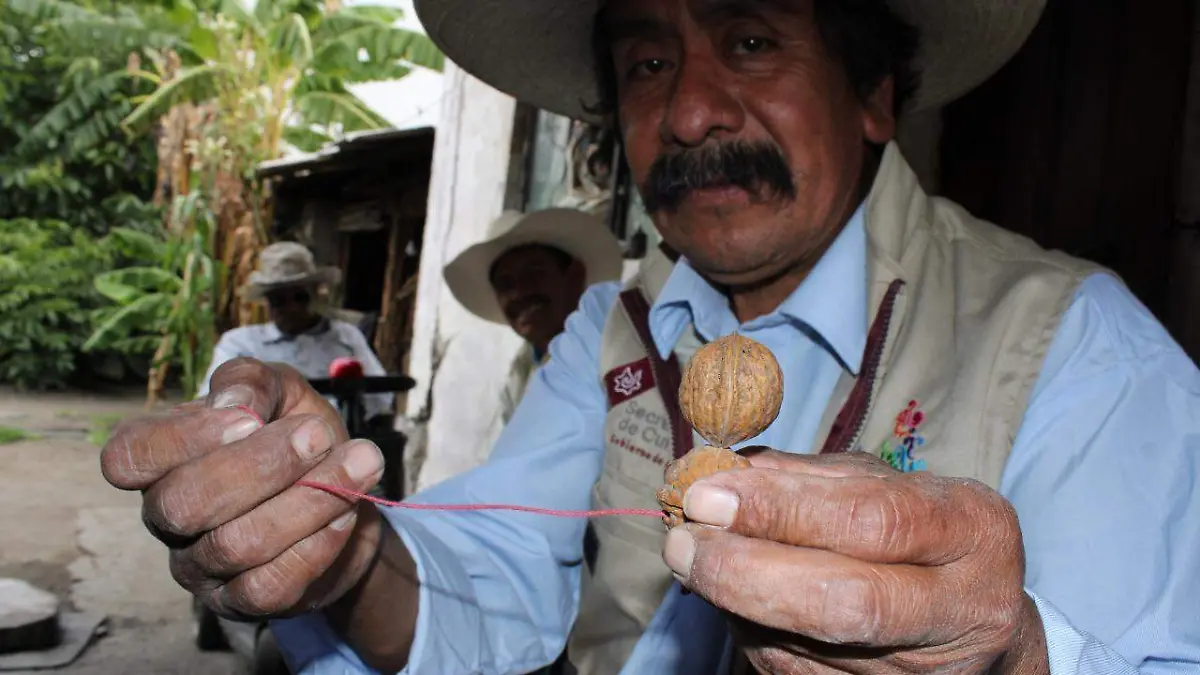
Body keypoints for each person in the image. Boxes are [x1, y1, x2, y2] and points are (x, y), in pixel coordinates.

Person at [98, 1, 1200, 674]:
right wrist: (340, 553)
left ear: (874, 95)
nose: (686, 113)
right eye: (646, 63)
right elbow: (496, 569)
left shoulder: (1074, 344)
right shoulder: (611, 326)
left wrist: (1010, 657)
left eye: (752, 39)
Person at [442, 207, 624, 426]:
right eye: (505, 285)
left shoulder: (614, 355)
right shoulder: (522, 371)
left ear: (576, 276)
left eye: (533, 274)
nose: (519, 294)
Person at [198, 241, 394, 423]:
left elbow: (381, 396)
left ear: (316, 294)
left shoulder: (344, 337)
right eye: (278, 300)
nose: (291, 308)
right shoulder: (240, 344)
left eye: (299, 297)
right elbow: (210, 399)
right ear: (267, 303)